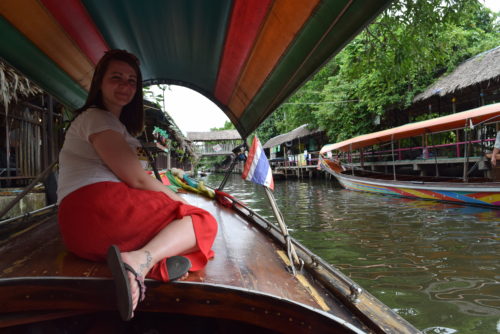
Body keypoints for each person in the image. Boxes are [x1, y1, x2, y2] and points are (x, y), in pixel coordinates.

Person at [56, 49, 218, 321]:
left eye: (132, 81)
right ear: (100, 83)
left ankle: (148, 261)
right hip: (95, 210)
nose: (125, 85)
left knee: (181, 230)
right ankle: (142, 259)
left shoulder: (108, 122)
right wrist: (185, 206)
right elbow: (138, 179)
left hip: (82, 236)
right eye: (116, 77)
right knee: (203, 223)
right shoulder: (97, 118)